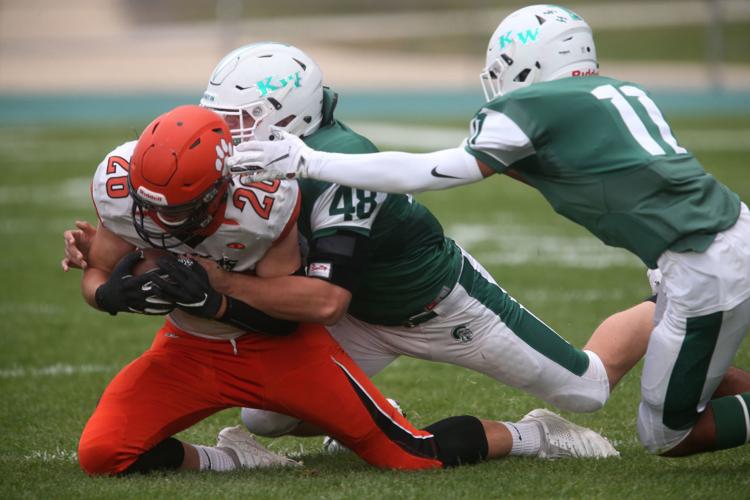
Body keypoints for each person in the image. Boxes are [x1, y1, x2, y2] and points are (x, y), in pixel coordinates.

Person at [66, 43, 654, 449]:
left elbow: (326, 298)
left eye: (242, 122)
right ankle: (370, 409)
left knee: (586, 389)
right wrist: (131, 248)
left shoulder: (343, 161)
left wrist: (214, 283)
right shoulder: (238, 158)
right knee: (265, 419)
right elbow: (210, 229)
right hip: (348, 311)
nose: (227, 135)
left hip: (433, 304)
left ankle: (671, 307)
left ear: (289, 120)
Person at [231, 6, 750, 458]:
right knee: (265, 415)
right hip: (711, 243)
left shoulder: (534, 106)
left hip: (696, 263)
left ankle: (636, 353)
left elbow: (429, 173)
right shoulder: (619, 92)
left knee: (632, 415)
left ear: (527, 66)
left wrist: (309, 159)